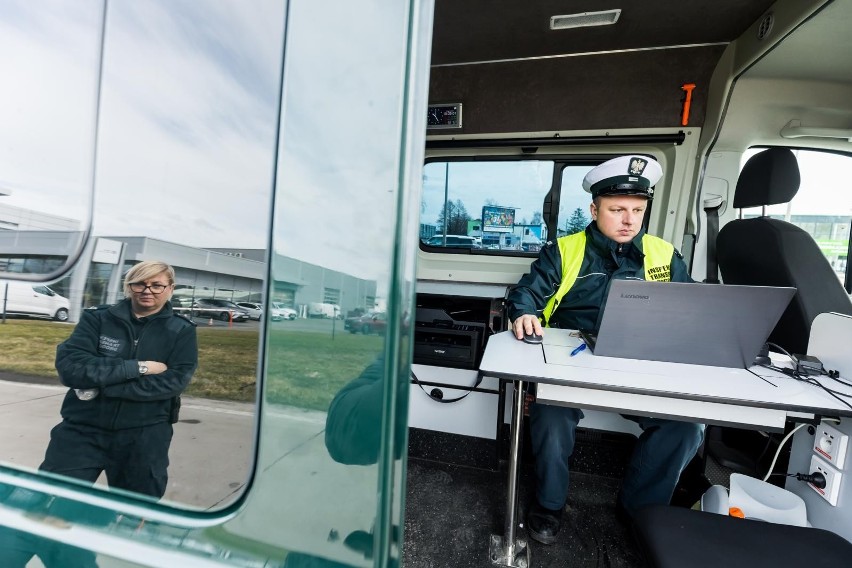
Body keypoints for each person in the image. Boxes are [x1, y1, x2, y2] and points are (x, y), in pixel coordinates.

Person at [507, 155, 705, 545]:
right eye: (617, 210)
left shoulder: (664, 255)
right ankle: (549, 506)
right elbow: (526, 293)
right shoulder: (564, 251)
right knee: (549, 417)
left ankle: (640, 512)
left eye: (637, 210)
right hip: (573, 362)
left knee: (685, 427)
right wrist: (523, 313)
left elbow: (692, 307)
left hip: (640, 366)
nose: (629, 220)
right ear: (595, 209)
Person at [40, 260, 198, 500]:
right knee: (50, 500)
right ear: (129, 286)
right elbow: (71, 369)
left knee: (136, 509)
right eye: (139, 284)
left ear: (170, 288)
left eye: (157, 285)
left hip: (144, 434)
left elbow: (173, 382)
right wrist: (139, 367)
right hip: (82, 428)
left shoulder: (181, 330)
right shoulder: (97, 319)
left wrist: (102, 385)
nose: (147, 291)